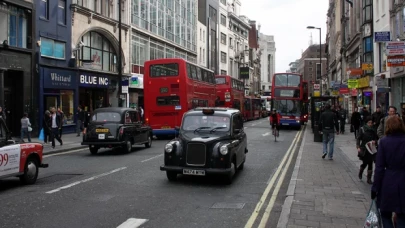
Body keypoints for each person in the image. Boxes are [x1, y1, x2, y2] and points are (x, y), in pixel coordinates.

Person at [371, 116, 405, 228]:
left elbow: (379, 168)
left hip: (389, 181)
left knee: (385, 215)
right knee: (402, 216)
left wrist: (375, 187)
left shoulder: (384, 142)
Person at [356, 116, 378, 184]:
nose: (370, 124)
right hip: (364, 148)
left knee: (370, 163)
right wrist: (358, 147)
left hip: (372, 148)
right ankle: (361, 171)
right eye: (369, 123)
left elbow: (376, 138)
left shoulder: (374, 130)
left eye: (371, 123)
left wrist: (375, 141)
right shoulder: (362, 129)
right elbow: (358, 138)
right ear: (366, 123)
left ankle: (369, 179)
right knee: (365, 162)